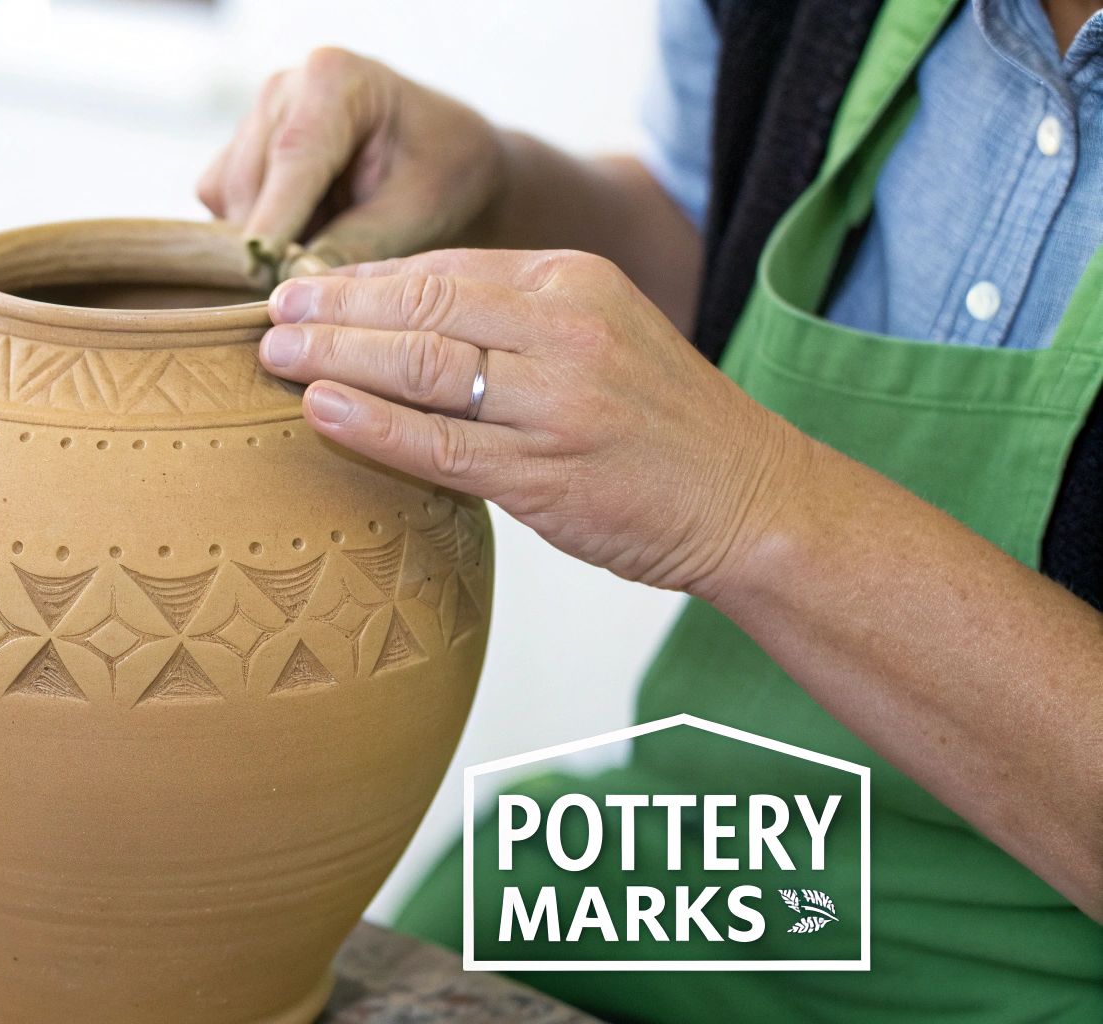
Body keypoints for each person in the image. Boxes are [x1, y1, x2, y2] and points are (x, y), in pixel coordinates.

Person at [200, 1, 1103, 1020]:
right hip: (711, 873)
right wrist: (499, 182)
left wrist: (751, 505)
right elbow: (715, 235)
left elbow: (734, 472)